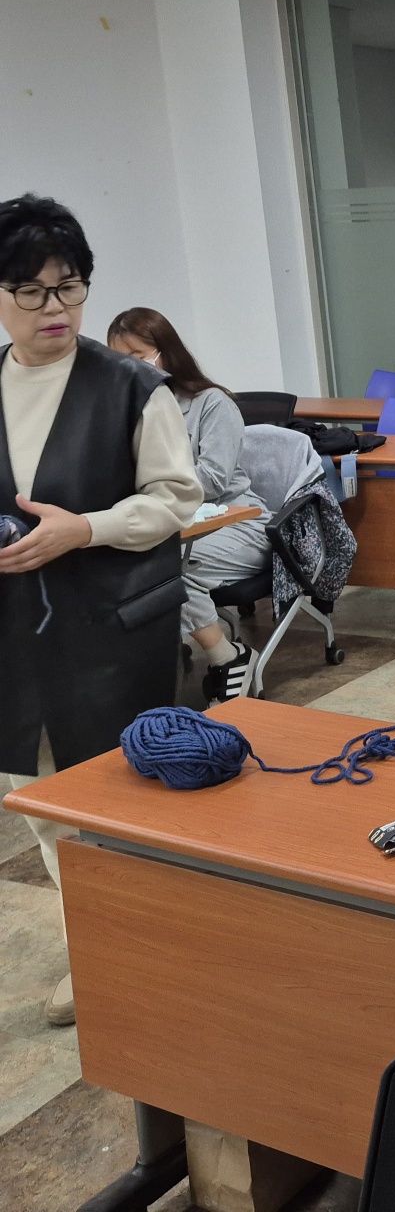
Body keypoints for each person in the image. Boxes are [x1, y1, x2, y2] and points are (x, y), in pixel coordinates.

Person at [0, 195, 201, 1027]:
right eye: (32, 290)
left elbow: (177, 498)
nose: (55, 307)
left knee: (122, 796)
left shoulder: (131, 387)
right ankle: (95, 947)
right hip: (14, 633)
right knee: (41, 797)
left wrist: (85, 528)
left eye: (70, 286)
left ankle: (152, 945)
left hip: (111, 628)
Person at [108, 308, 270, 704]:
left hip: (235, 522)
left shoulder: (211, 404)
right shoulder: (127, 412)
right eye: (118, 359)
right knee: (115, 567)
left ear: (165, 353)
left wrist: (150, 486)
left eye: (137, 356)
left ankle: (229, 657)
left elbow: (212, 479)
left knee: (167, 571)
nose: (128, 368)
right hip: (172, 524)